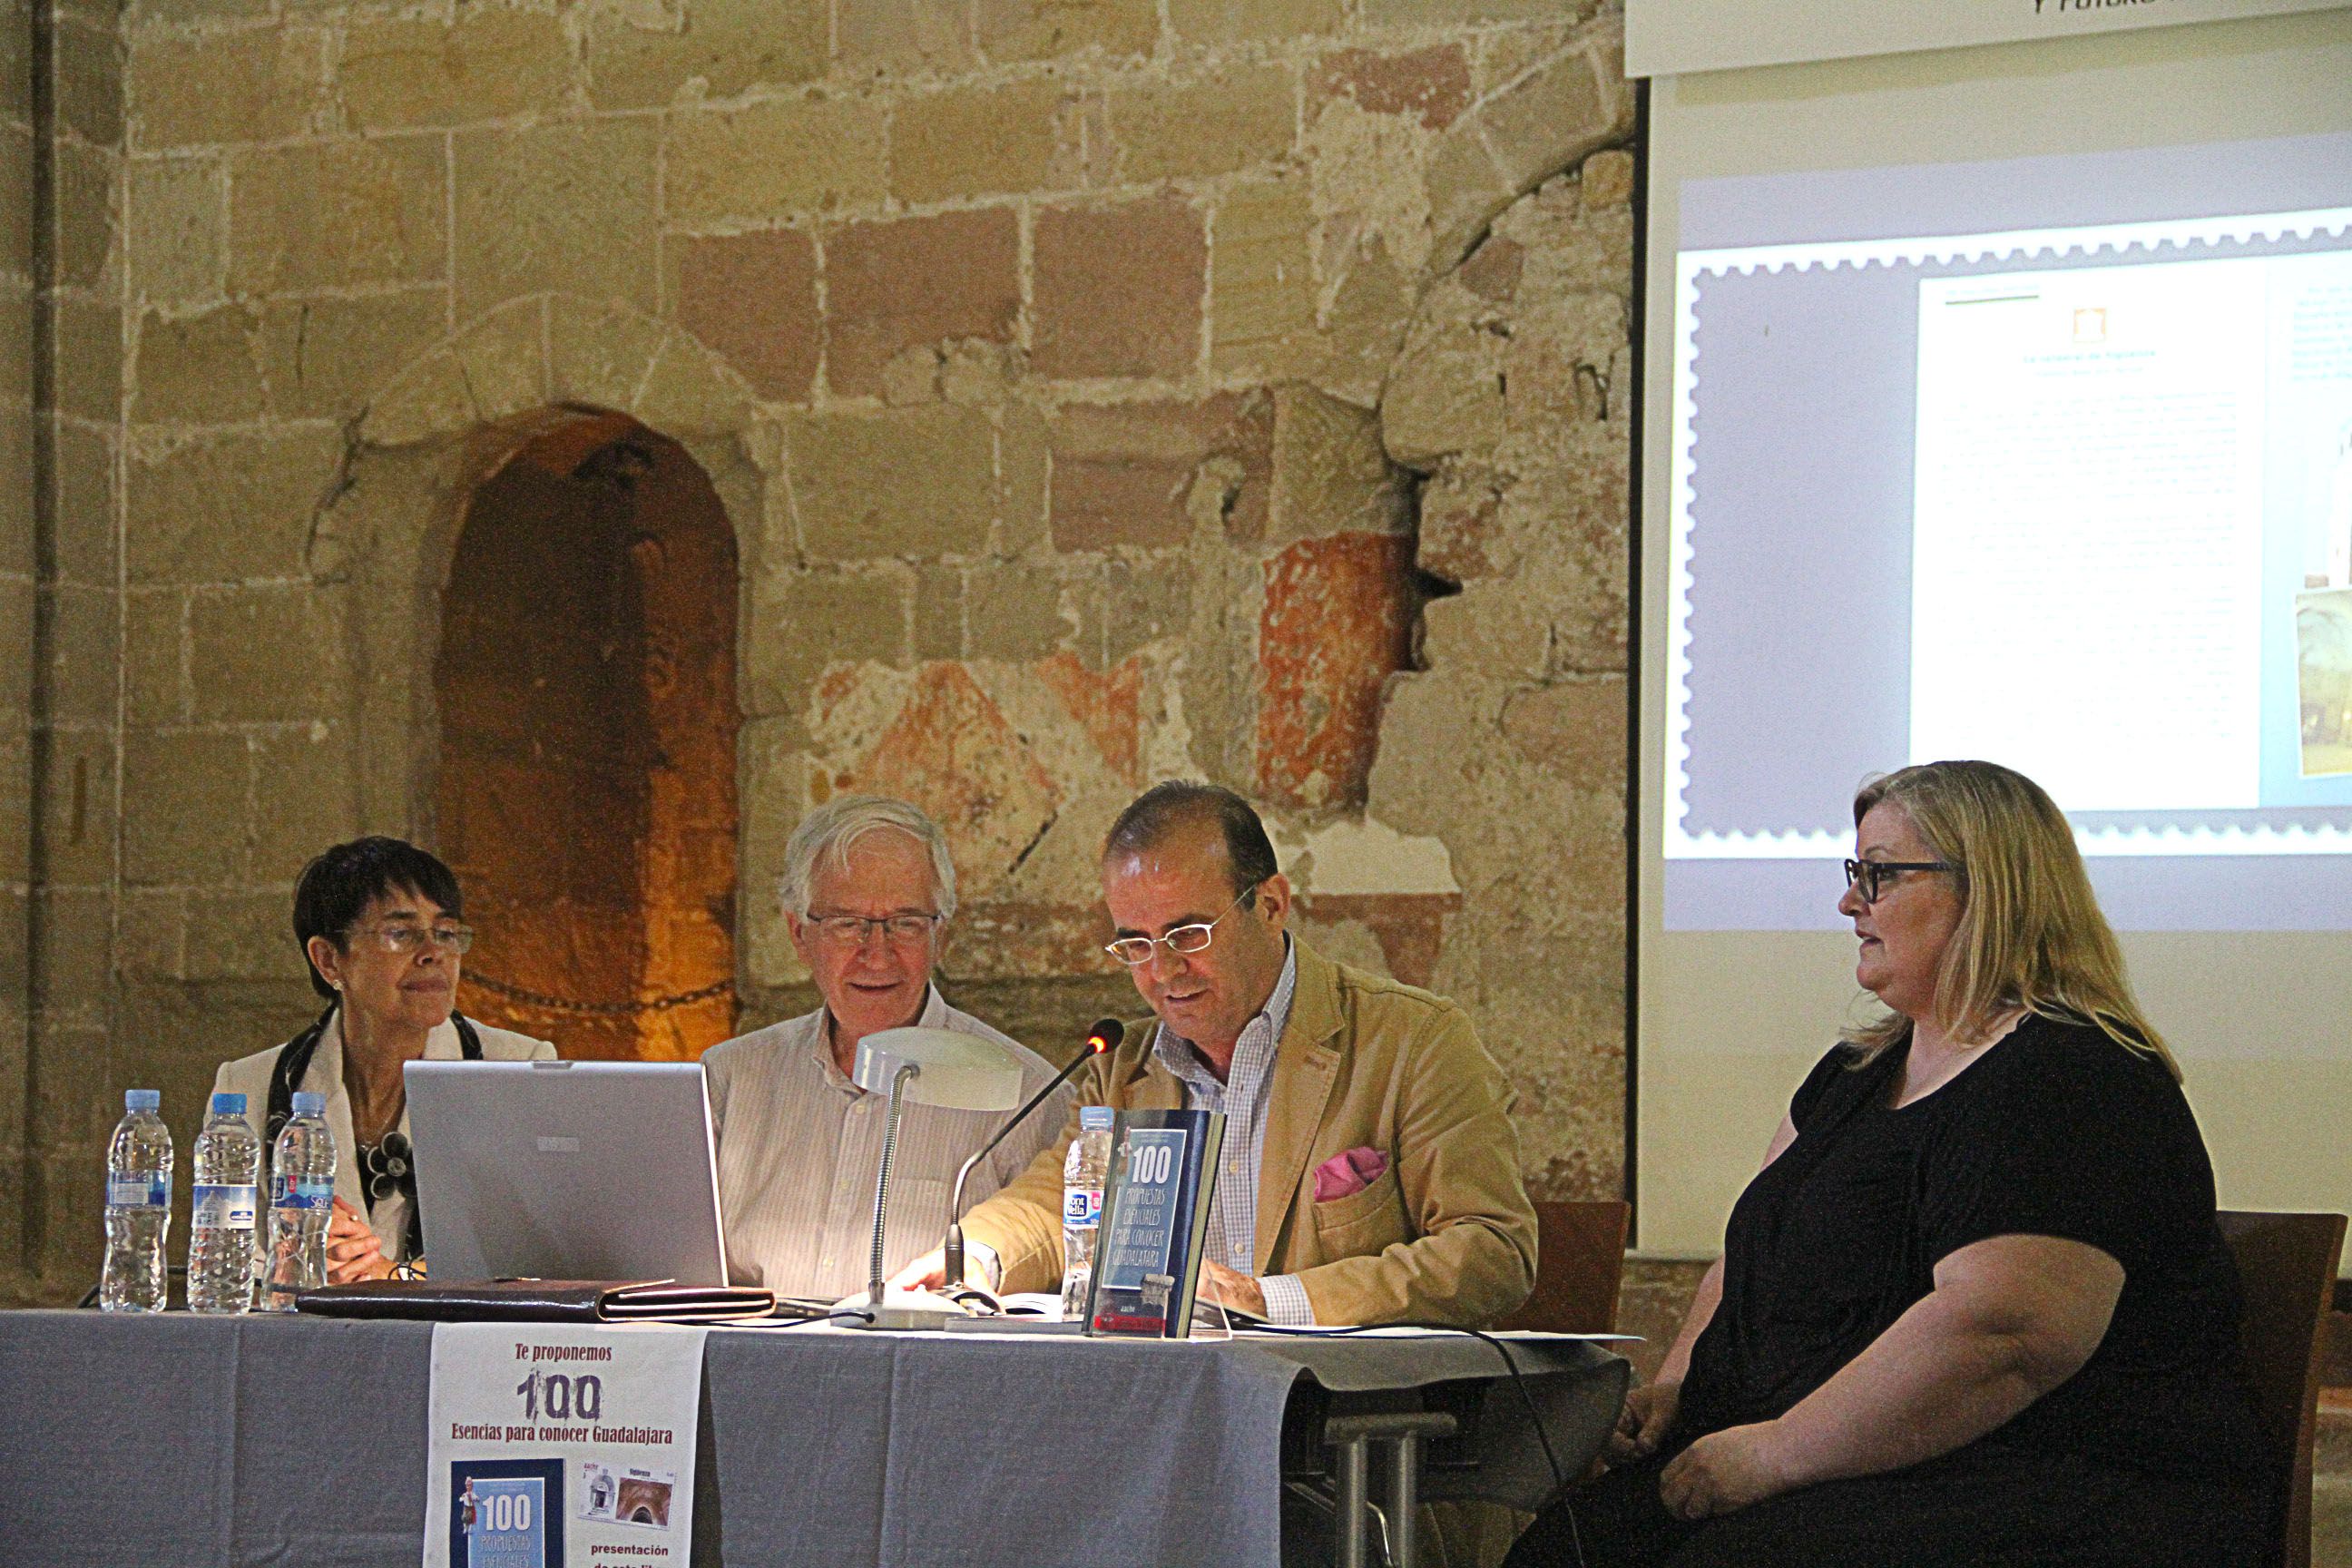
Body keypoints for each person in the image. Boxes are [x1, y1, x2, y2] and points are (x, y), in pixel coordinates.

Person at [1504, 760, 2266, 1568]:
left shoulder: (2075, 1076)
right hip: (1840, 1469)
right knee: (1565, 1549)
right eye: (1853, 873)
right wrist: (1679, 1391)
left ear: (1990, 889)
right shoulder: (1854, 1076)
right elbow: (1750, 1256)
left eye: (1881, 875)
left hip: (2043, 1484)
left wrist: (1776, 1453)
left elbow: (2004, 1335)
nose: (1849, 902)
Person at [895, 780, 1536, 1327]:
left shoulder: (1413, 1041)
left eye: (1188, 933)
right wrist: (971, 1258)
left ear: (1271, 906)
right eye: (1136, 946)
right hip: (1173, 1403)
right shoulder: (1126, 1067)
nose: (1164, 970)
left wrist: (1271, 1301)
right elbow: (1054, 1201)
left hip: (1351, 1423)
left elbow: (1493, 1249)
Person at [700, 795, 1071, 1298]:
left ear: (943, 936)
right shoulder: (727, 1080)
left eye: (905, 923)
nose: (877, 953)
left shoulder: (1029, 1095)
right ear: (799, 934)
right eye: (849, 924)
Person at [214, 838, 555, 1283]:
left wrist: (394, 1277)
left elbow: (534, 1255)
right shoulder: (250, 1086)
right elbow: (225, 1260)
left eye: (447, 933)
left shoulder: (518, 1067)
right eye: (401, 933)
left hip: (452, 1345)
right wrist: (299, 1258)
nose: (433, 952)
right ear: (329, 960)